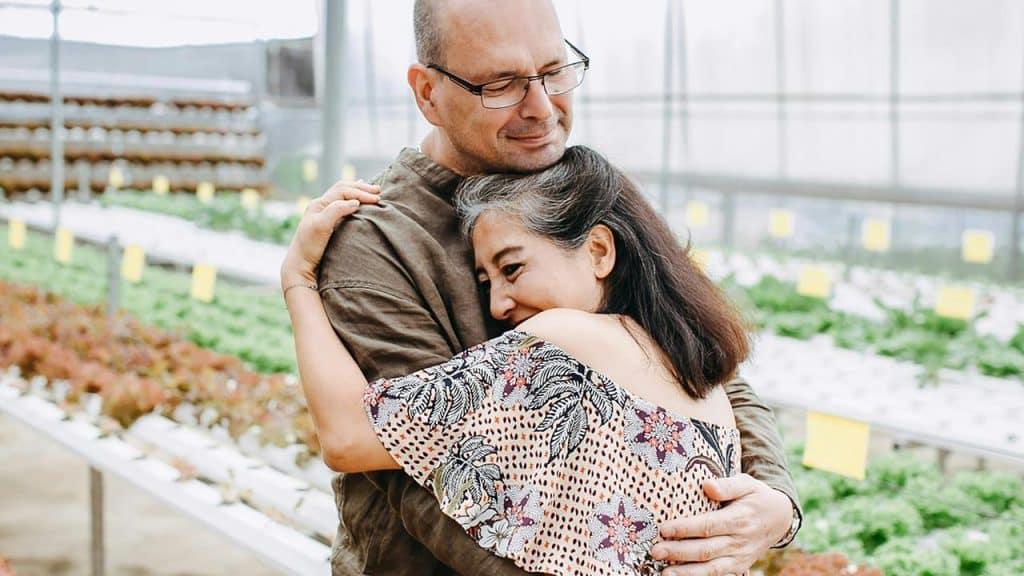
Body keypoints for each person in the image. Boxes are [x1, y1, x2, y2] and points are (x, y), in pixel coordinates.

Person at [311, 0, 801, 574]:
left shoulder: (571, 185)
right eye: (502, 83)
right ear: (427, 93)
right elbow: (426, 480)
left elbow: (694, 354)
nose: (542, 108)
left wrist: (772, 506)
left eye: (554, 71)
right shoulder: (377, 239)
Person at [282, 145, 755, 575]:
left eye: (512, 268)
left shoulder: (562, 340)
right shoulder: (708, 390)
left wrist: (298, 278)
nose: (497, 306)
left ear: (598, 251)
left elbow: (348, 438)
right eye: (487, 282)